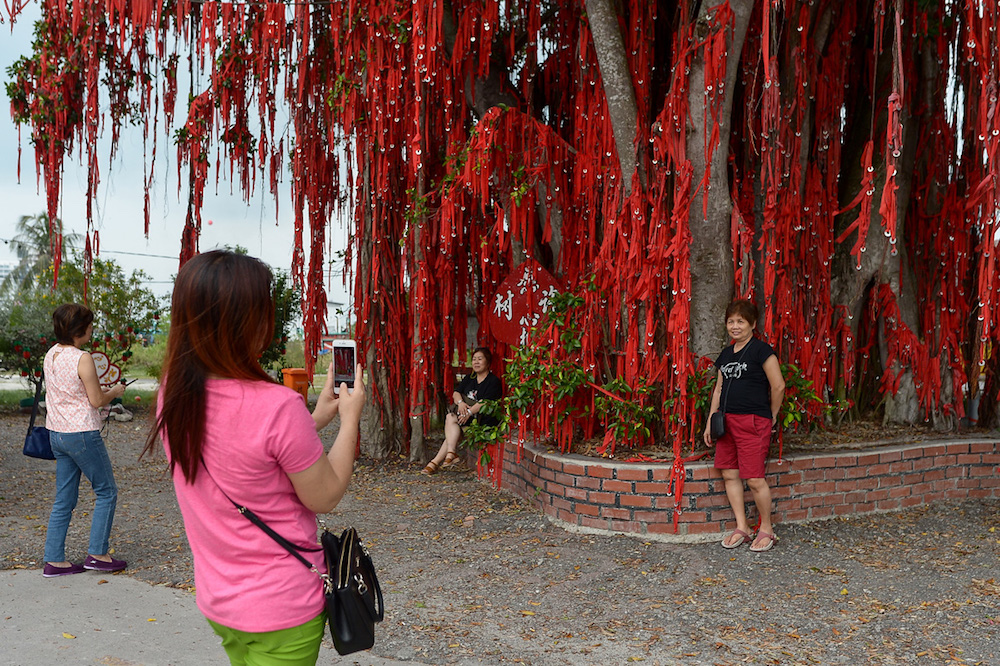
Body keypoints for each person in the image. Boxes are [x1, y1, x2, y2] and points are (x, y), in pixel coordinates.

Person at [143, 250, 365, 665]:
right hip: (280, 609)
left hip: (220, 601)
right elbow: (326, 494)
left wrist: (315, 417)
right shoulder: (276, 406)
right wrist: (350, 418)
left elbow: (243, 448)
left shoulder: (174, 394)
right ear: (248, 322)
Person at [42, 303, 128, 577]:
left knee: (64, 499)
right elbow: (96, 400)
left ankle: (54, 560)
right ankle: (98, 554)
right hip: (81, 434)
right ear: (81, 329)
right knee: (107, 491)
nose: (92, 329)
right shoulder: (83, 358)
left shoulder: (51, 354)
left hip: (57, 434)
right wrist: (114, 391)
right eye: (90, 325)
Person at [702, 300, 785, 552]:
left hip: (753, 420)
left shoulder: (762, 351)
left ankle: (766, 529)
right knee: (729, 473)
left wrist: (770, 416)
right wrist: (710, 420)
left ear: (752, 324)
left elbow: (778, 385)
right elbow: (719, 388)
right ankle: (742, 527)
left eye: (740, 321)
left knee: (754, 478)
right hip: (726, 421)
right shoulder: (726, 354)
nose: (735, 326)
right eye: (731, 322)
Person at [422, 347, 502, 475]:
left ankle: (438, 460)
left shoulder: (493, 381)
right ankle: (449, 454)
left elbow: (486, 402)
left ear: (488, 363)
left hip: (482, 422)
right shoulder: (469, 378)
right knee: (451, 419)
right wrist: (460, 403)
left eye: (480, 359)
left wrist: (469, 413)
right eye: (474, 359)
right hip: (466, 419)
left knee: (451, 422)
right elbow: (456, 393)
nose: (476, 362)